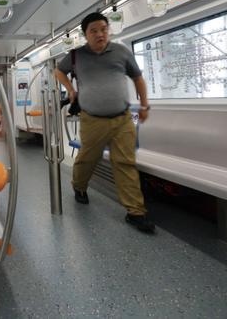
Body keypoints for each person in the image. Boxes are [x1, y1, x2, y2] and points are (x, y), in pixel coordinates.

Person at [54, 12, 155, 233]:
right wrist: (70, 90)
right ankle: (79, 186)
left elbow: (138, 78)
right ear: (85, 34)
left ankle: (135, 212)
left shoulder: (121, 52)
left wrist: (144, 104)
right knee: (88, 158)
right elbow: (59, 71)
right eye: (94, 31)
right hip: (92, 119)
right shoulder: (76, 56)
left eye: (103, 29)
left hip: (123, 118)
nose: (100, 34)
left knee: (125, 163)